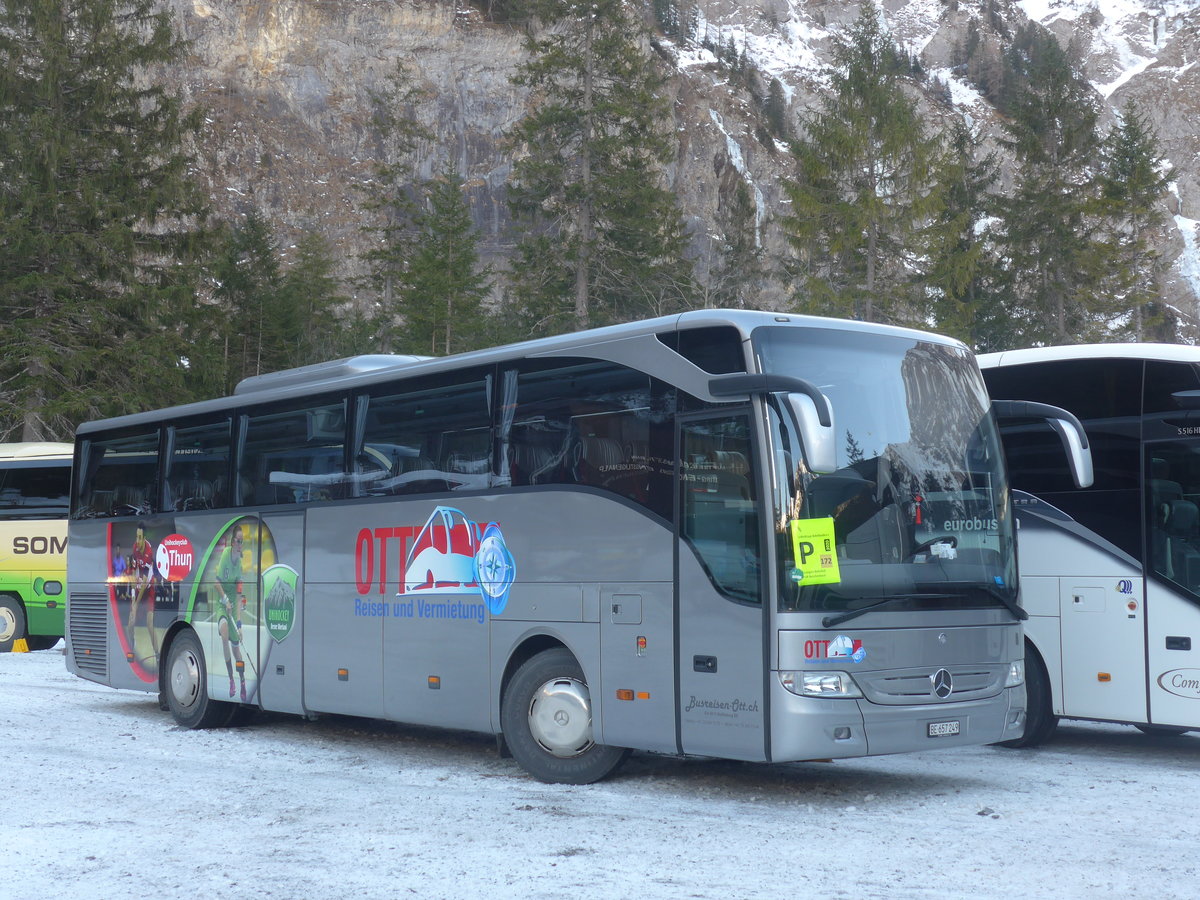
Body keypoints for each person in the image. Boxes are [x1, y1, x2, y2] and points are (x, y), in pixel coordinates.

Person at [215, 525, 248, 701]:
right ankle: (231, 681)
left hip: (232, 603)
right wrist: (225, 600)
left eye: (242, 541)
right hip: (222, 603)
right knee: (225, 632)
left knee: (237, 651)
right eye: (237, 540)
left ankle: (242, 681)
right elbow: (216, 582)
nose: (239, 544)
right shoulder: (226, 554)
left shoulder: (240, 563)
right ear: (233, 540)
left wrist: (240, 624)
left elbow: (238, 595)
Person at [126, 526, 160, 658]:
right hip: (140, 585)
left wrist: (136, 604)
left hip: (148, 587)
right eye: (136, 537)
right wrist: (133, 600)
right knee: (130, 625)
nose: (137, 540)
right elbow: (134, 573)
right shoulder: (135, 547)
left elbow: (145, 583)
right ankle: (132, 646)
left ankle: (157, 654)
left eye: (140, 537)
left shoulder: (148, 552)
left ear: (144, 539)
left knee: (149, 624)